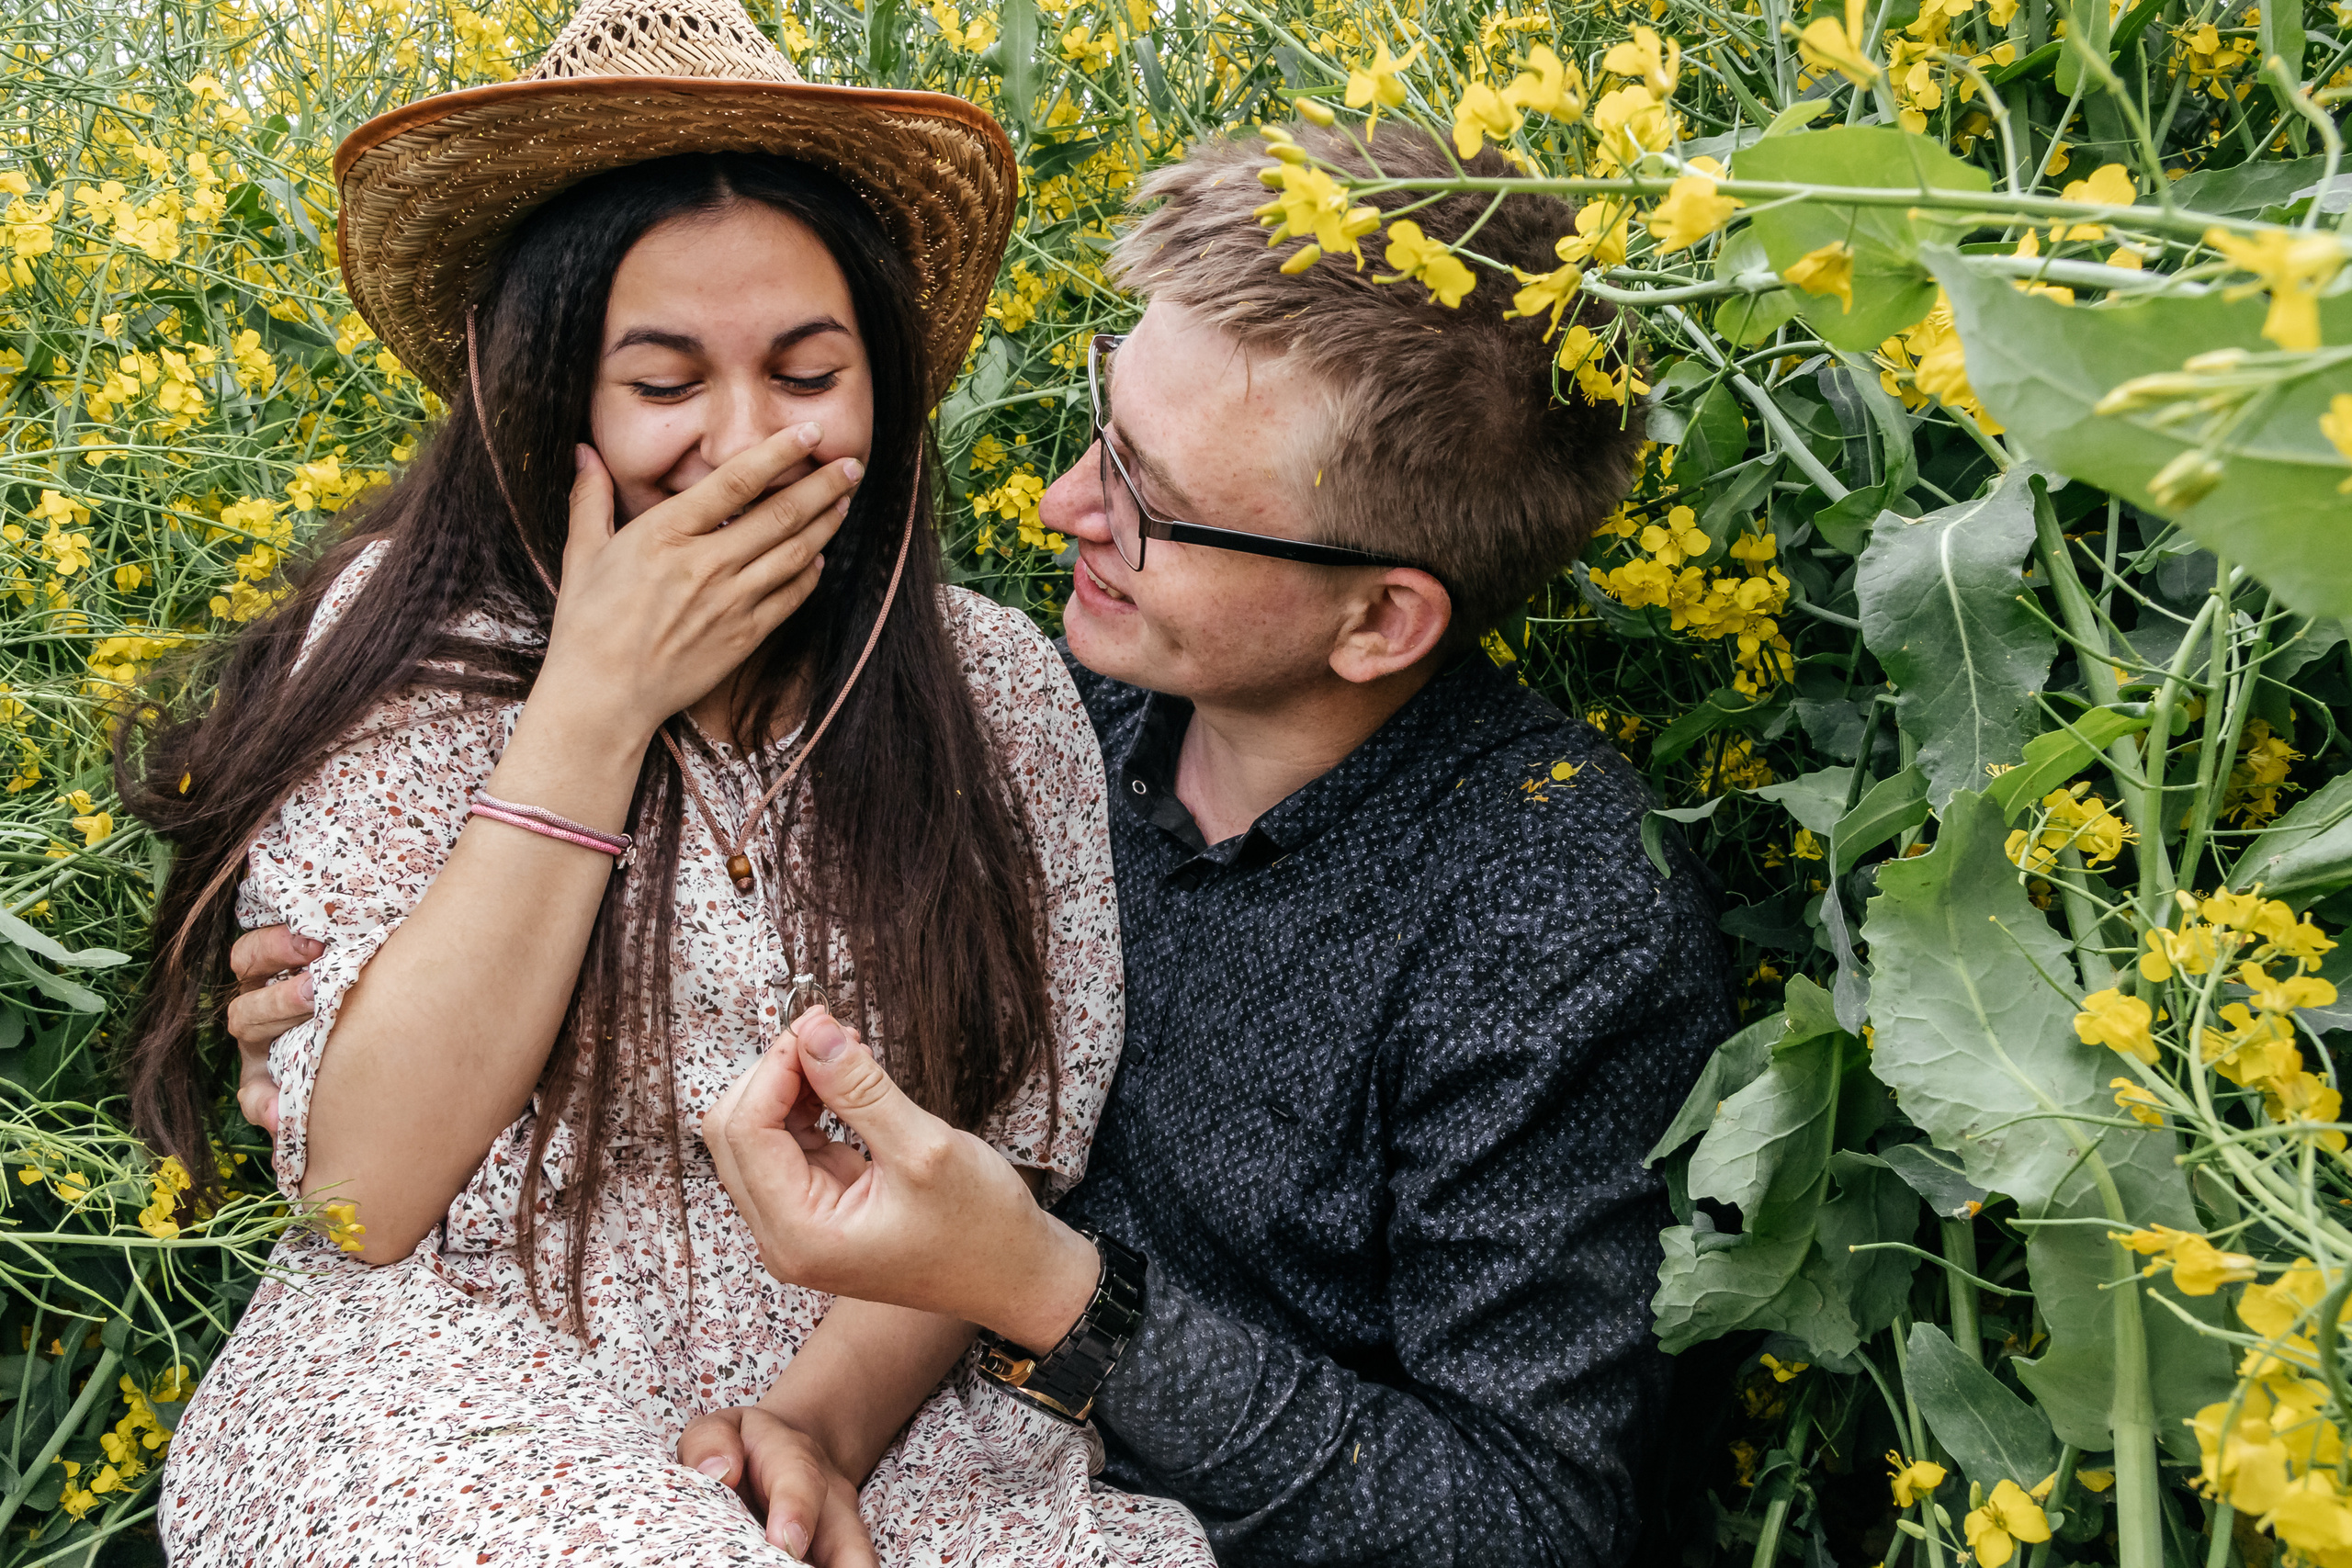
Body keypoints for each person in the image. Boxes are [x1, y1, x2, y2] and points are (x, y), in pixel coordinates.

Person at [226, 116, 1736, 1566]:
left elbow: (1527, 1520)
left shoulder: (1548, 909)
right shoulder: (1079, 684)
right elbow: (377, 1158)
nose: (1062, 502)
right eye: (1101, 425)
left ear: (1381, 620)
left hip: (1016, 1473)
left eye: (1151, 500)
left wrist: (1043, 1289)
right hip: (577, 1413)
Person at [120, 2, 1212, 1563]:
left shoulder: (995, 688)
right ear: (554, 393)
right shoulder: (408, 650)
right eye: (664, 380)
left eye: (808, 369)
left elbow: (1010, 1138)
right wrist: (596, 700)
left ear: (885, 394)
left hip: (879, 1427)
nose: (749, 443)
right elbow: (366, 1188)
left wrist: (815, 1426)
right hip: (457, 1403)